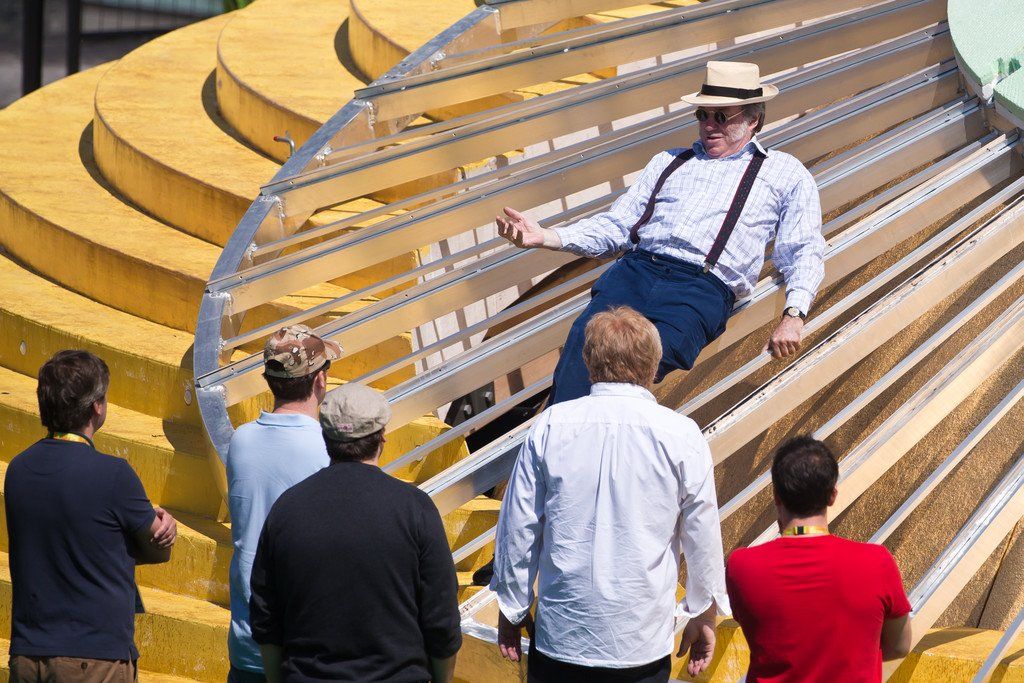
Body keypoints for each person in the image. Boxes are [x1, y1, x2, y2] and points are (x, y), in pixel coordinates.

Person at [496, 60, 825, 404]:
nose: (709, 125)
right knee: (583, 344)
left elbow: (803, 248)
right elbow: (618, 226)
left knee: (633, 366)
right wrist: (547, 237)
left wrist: (794, 314)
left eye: (721, 116)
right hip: (635, 271)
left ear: (752, 119)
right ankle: (561, 428)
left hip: (700, 289)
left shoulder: (784, 172)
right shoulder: (669, 161)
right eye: (702, 115)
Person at [491, 306, 729, 682]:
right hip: (641, 643)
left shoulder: (551, 425)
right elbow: (702, 535)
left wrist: (512, 606)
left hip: (562, 638)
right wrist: (704, 613)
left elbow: (519, 528)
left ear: (588, 363)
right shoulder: (681, 435)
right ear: (654, 365)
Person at [248, 382, 461, 682]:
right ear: (382, 438)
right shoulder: (415, 508)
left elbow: (265, 616)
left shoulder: (287, 508)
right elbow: (441, 617)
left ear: (326, 437)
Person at [5, 350, 177, 682]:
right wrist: (161, 528)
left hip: (29, 653)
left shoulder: (19, 470)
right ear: (96, 406)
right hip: (93, 657)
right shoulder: (114, 475)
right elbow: (159, 549)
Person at [726, 436, 913, 682]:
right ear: (832, 496)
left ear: (777, 496)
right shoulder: (877, 562)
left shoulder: (742, 566)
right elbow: (900, 645)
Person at [226, 324, 342, 682]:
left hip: (247, 641)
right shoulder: (328, 449)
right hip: (305, 648)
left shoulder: (241, 441)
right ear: (319, 380)